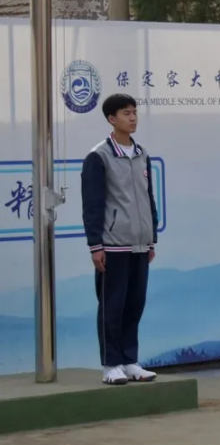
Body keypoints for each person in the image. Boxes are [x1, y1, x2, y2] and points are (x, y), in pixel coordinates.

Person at [81, 93, 159, 386]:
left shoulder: (142, 153)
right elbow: (92, 203)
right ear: (111, 119)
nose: (133, 117)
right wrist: (96, 245)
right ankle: (111, 364)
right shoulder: (99, 156)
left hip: (140, 244)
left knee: (134, 304)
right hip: (113, 245)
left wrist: (151, 238)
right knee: (112, 306)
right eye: (126, 113)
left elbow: (148, 198)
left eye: (134, 112)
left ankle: (129, 361)